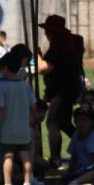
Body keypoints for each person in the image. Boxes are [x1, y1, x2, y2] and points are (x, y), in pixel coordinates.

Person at [37, 13, 85, 166]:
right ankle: (84, 144)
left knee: (53, 124)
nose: (45, 34)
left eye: (47, 32)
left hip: (60, 91)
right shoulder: (72, 45)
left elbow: (42, 68)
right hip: (70, 88)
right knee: (64, 122)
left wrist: (37, 55)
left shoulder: (58, 49)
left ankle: (55, 158)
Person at [0, 46, 37, 185]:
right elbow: (33, 106)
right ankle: (27, 184)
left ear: (5, 68)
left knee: (8, 156)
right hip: (23, 128)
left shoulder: (2, 87)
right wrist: (31, 118)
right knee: (26, 156)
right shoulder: (25, 86)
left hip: (7, 128)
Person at [63, 105, 94, 185]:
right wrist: (71, 171)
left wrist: (81, 173)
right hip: (87, 168)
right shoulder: (75, 136)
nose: (82, 123)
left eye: (85, 120)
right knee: (66, 177)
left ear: (91, 123)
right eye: (79, 120)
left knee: (72, 179)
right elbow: (74, 157)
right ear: (75, 122)